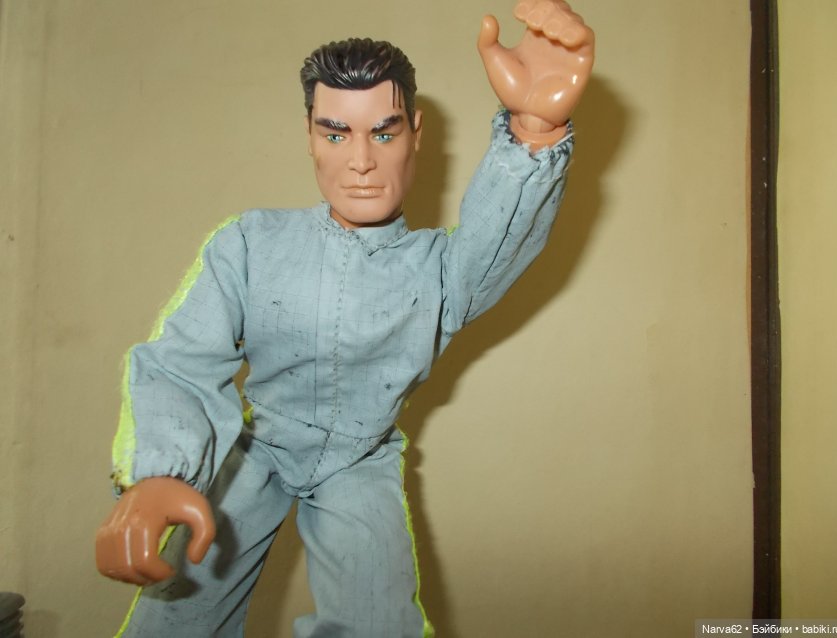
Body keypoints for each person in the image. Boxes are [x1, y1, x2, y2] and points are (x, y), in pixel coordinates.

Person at [95, 1, 594, 636]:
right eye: (335, 133)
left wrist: (534, 131)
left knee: (377, 619)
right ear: (309, 134)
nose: (360, 160)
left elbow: (500, 238)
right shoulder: (251, 243)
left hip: (361, 458)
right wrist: (158, 474)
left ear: (415, 132)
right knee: (178, 611)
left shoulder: (440, 269)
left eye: (383, 133)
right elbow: (182, 359)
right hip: (256, 448)